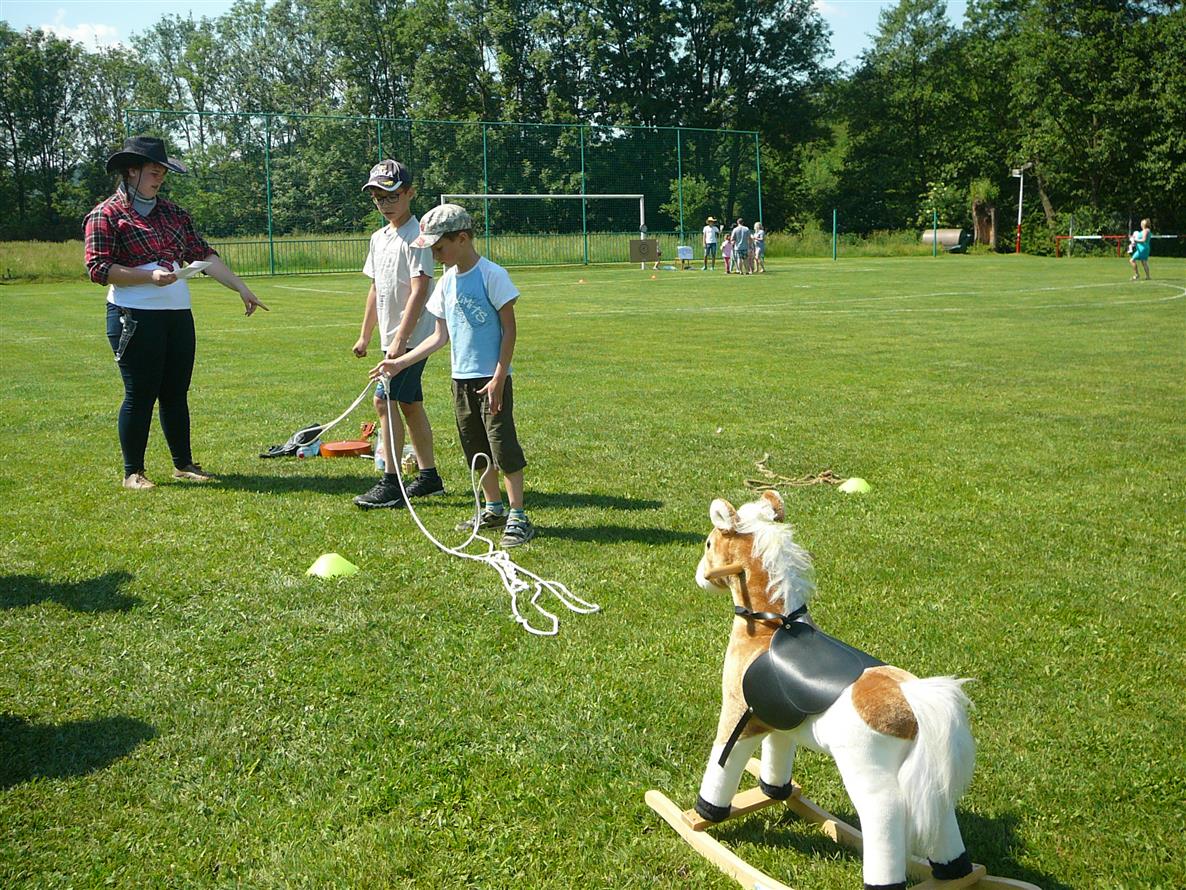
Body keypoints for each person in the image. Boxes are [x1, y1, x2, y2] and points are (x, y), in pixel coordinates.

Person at [84, 135, 268, 490]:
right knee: (140, 394)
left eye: (163, 172)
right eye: (154, 171)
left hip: (177, 314)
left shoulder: (174, 214)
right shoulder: (105, 214)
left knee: (175, 393)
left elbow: (204, 256)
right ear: (131, 171)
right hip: (133, 315)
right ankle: (133, 472)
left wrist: (241, 287)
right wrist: (148, 276)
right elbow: (98, 268)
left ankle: (183, 464)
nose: (160, 178)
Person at [369, 204, 535, 548]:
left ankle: (518, 515)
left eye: (439, 248)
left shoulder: (492, 275)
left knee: (502, 447)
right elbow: (438, 337)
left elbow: (509, 330)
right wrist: (399, 363)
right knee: (475, 449)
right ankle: (493, 508)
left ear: (462, 239)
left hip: (491, 380)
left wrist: (499, 377)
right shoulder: (445, 283)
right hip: (461, 381)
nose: (435, 255)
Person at [351, 159, 445, 510]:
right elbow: (376, 288)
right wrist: (365, 335)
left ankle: (391, 482)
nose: (385, 204)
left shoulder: (418, 236)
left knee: (384, 401)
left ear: (409, 194)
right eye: (378, 198)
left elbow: (420, 290)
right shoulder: (379, 238)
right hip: (391, 339)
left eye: (392, 196)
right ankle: (429, 477)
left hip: (412, 340)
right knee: (408, 403)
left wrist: (400, 342)